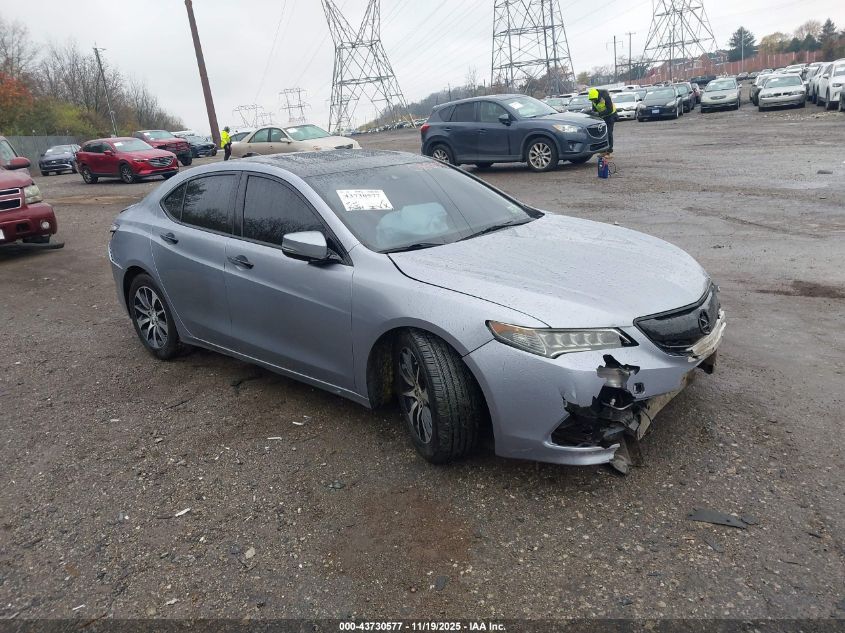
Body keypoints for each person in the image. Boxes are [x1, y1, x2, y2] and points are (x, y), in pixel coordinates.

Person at [588, 88, 617, 155]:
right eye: (592, 100)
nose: (593, 101)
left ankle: (609, 150)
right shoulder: (593, 100)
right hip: (602, 117)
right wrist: (593, 114)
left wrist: (599, 114)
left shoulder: (606, 97)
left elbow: (610, 109)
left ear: (597, 96)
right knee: (601, 133)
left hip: (611, 115)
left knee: (609, 133)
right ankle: (603, 149)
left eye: (594, 99)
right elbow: (594, 109)